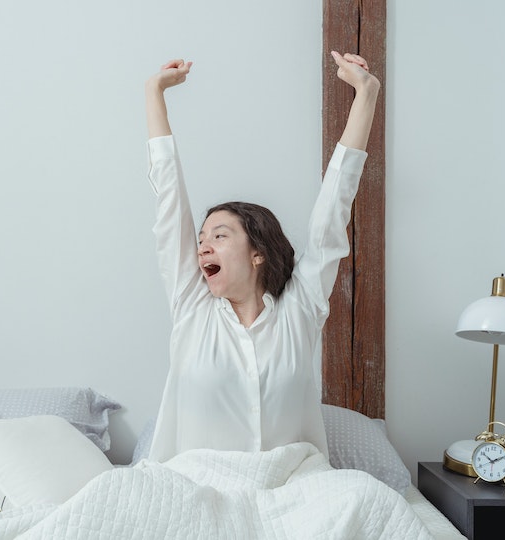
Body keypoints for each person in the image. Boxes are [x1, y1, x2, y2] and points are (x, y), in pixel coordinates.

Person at [144, 52, 380, 462]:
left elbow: (333, 212)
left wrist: (367, 95)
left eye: (220, 236)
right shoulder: (192, 307)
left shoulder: (300, 311)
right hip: (201, 495)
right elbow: (169, 202)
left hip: (291, 493)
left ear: (257, 254)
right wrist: (154, 94)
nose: (202, 247)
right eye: (201, 239)